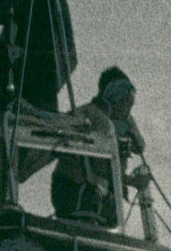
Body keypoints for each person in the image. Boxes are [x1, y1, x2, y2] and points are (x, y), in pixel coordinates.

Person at [50, 66, 146, 226]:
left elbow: (140, 146)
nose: (127, 109)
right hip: (75, 190)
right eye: (123, 102)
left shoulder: (123, 122)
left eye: (130, 104)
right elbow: (100, 168)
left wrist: (129, 125)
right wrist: (130, 181)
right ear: (109, 97)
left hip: (103, 195)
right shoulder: (87, 116)